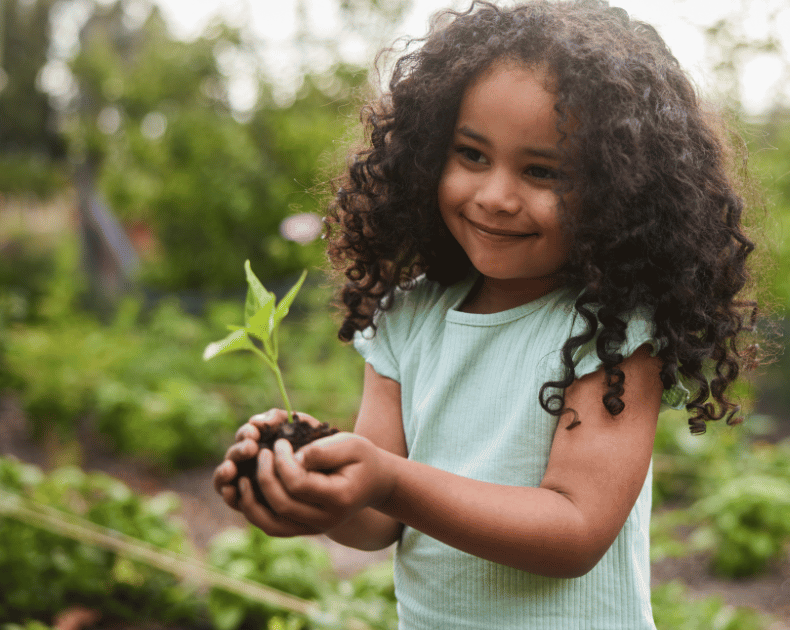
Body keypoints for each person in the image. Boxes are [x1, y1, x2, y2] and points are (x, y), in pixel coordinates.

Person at [212, 1, 759, 627]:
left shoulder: (608, 333)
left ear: (619, 191)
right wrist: (313, 491)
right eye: (472, 155)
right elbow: (378, 524)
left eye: (541, 171)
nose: (496, 196)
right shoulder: (407, 317)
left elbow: (574, 531)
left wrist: (388, 480)